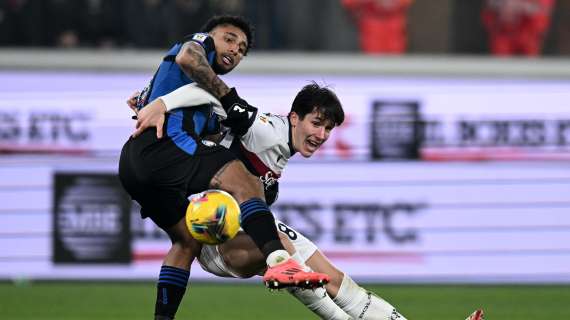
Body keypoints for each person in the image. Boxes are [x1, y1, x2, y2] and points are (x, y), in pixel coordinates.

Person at [134, 84, 485, 320]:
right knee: (284, 249)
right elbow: (210, 92)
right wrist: (159, 102)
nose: (321, 135)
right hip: (216, 239)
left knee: (336, 281)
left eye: (328, 129)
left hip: (246, 229)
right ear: (294, 117)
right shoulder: (262, 127)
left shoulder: (279, 153)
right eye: (316, 123)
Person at [118, 15, 328, 320]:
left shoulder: (201, 105)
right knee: (243, 180)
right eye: (229, 39)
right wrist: (224, 95)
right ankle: (279, 259)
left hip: (134, 166)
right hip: (162, 150)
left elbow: (209, 123)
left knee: (187, 241)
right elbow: (188, 57)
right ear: (209, 36)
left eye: (242, 48)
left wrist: (155, 100)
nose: (235, 50)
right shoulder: (196, 46)